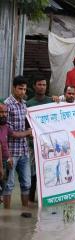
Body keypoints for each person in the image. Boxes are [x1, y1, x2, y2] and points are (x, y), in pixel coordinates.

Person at [3, 76, 33, 208]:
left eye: (24, 89)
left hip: (24, 151)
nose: (22, 92)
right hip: (11, 152)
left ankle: (25, 209)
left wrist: (30, 133)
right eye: (20, 89)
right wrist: (28, 133)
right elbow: (9, 132)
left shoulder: (24, 104)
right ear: (14, 88)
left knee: (26, 183)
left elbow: (27, 125)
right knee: (8, 184)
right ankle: (7, 213)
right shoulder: (6, 105)